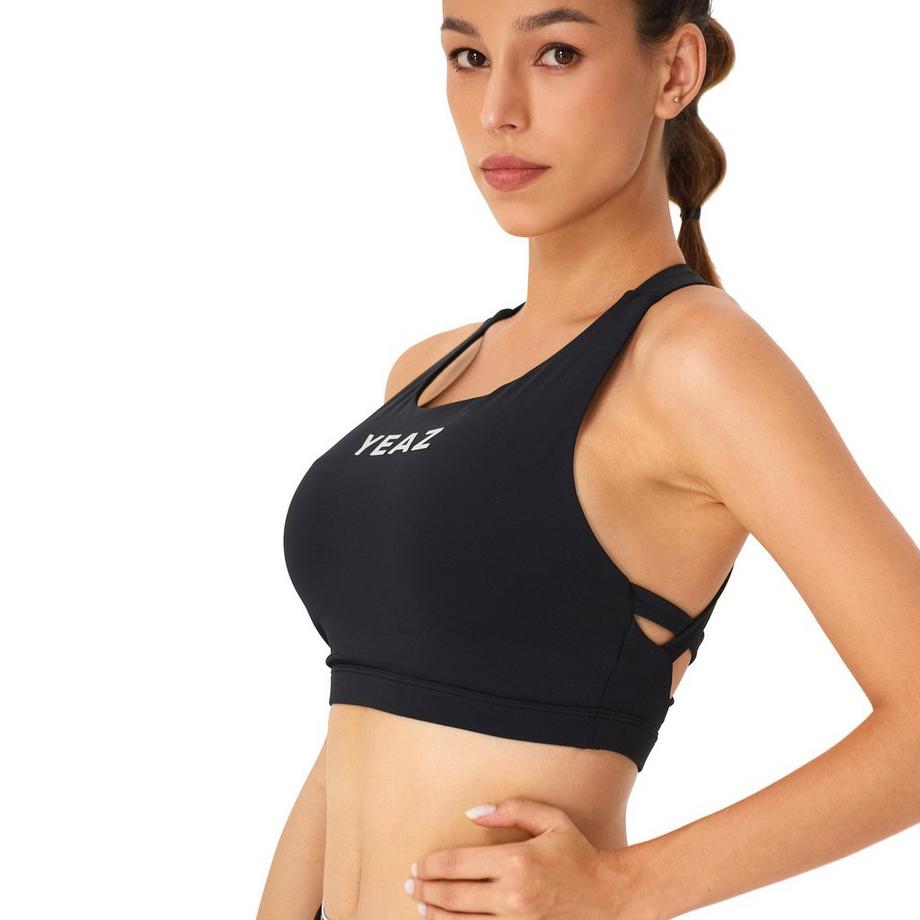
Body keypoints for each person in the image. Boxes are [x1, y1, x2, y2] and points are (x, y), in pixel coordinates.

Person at [258, 3, 920, 918]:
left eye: (558, 53)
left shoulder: (690, 359)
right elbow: (355, 742)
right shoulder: (426, 370)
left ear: (674, 71)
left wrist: (624, 888)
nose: (499, 109)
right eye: (467, 56)